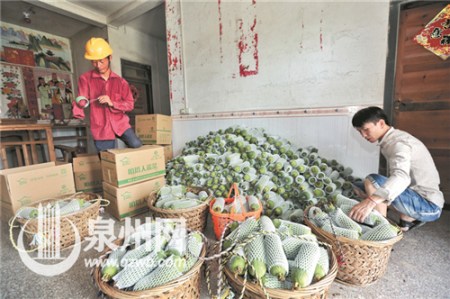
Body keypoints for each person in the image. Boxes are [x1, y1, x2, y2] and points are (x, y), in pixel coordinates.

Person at [348, 106, 444, 231]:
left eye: (366, 130)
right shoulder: (389, 141)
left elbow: (401, 178)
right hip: (415, 197)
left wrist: (371, 201)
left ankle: (381, 231)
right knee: (359, 186)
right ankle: (407, 219)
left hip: (429, 206)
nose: (363, 135)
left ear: (381, 123)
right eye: (359, 132)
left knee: (372, 181)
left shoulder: (399, 143)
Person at [72, 37, 142, 152]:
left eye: (101, 61)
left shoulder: (121, 82)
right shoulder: (85, 79)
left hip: (120, 123)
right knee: (107, 158)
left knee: (136, 144)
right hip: (101, 126)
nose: (98, 65)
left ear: (110, 58)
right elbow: (81, 98)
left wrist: (112, 103)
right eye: (94, 62)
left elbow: (129, 105)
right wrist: (80, 103)